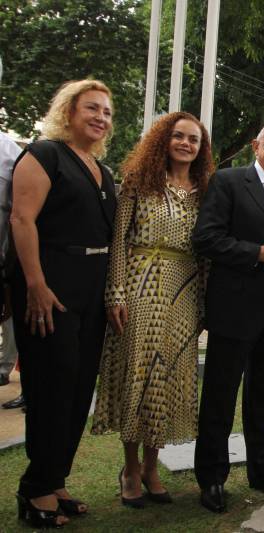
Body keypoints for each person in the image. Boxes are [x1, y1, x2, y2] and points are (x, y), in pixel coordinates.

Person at [90, 112, 213, 508]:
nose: (185, 144)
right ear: (164, 140)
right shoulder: (138, 183)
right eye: (178, 136)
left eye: (193, 139)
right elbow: (119, 242)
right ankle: (129, 468)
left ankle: (152, 466)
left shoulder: (204, 190)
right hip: (140, 285)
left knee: (171, 377)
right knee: (139, 375)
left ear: (201, 148)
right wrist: (115, 293)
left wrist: (205, 303)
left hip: (184, 290)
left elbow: (206, 253)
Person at [10, 79, 117, 528]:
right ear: (68, 111)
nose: (101, 117)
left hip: (93, 289)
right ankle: (34, 492)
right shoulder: (44, 154)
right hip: (49, 286)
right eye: (92, 108)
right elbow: (22, 218)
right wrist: (34, 282)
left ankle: (55, 481)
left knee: (77, 392)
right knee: (52, 390)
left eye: (108, 112)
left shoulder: (102, 170)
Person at [192, 122, 264, 513]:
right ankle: (212, 478)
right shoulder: (227, 182)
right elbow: (206, 238)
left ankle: (262, 468)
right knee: (220, 397)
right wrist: (257, 253)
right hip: (234, 309)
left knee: (262, 396)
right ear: (256, 146)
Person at [0, 129, 21, 389]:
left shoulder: (9, 152)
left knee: (9, 318)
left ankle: (5, 367)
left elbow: (19, 215)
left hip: (3, 260)